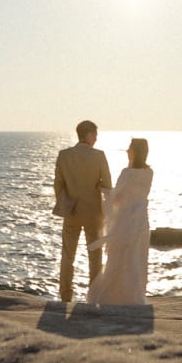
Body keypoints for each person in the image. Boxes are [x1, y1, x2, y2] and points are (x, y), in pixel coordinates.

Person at [86, 137, 153, 306]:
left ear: (134, 152)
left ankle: (115, 297)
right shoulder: (149, 173)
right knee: (137, 258)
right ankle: (134, 295)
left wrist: (103, 190)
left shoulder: (127, 172)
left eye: (130, 148)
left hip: (126, 220)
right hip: (141, 220)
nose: (127, 150)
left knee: (120, 258)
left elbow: (117, 199)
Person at [54, 119, 112, 303]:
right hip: (94, 214)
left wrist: (64, 204)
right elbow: (108, 186)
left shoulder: (64, 155)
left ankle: (65, 295)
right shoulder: (99, 156)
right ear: (88, 135)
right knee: (95, 256)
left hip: (71, 212)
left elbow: (58, 184)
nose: (96, 138)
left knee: (67, 255)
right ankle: (93, 296)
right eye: (95, 134)